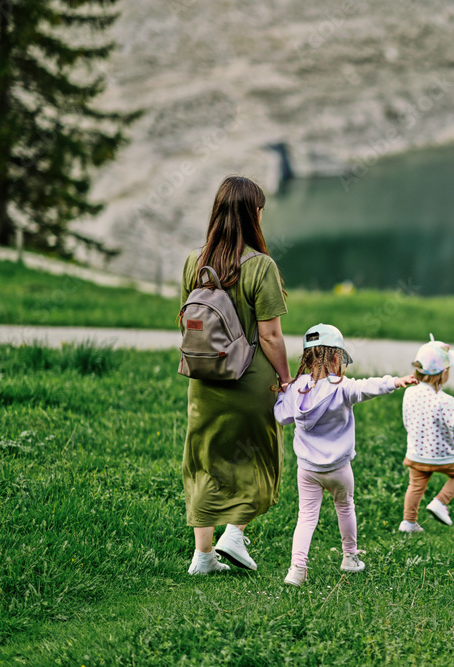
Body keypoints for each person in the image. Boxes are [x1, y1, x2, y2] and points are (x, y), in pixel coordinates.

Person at [181, 176, 292, 575]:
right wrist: (285, 378)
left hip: (203, 380)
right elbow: (270, 335)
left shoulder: (194, 262)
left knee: (205, 461)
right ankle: (234, 534)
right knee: (259, 456)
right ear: (252, 214)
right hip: (249, 379)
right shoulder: (260, 265)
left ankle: (203, 557)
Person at [274, 323, 417, 587]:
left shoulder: (297, 387)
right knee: (345, 507)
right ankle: (350, 557)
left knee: (306, 516)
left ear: (308, 358)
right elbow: (366, 387)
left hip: (308, 469)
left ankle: (297, 569)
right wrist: (394, 382)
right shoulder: (342, 387)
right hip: (339, 469)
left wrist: (284, 395)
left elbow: (282, 417)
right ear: (336, 358)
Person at [399, 335, 454, 533]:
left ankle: (408, 522)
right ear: (444, 372)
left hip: (416, 453)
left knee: (415, 487)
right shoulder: (445, 400)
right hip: (443, 456)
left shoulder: (409, 392)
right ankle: (440, 502)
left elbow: (407, 420)